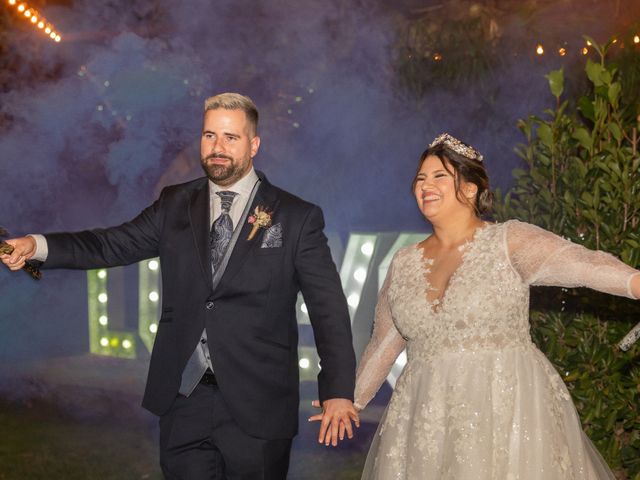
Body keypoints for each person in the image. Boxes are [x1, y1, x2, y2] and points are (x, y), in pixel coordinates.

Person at [0, 93, 360, 479]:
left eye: (230, 137)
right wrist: (37, 246)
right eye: (209, 136)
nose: (217, 148)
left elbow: (328, 308)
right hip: (184, 398)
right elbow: (110, 244)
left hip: (259, 403)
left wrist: (337, 389)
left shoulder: (296, 217)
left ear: (253, 144)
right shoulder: (175, 203)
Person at [351, 133, 640, 479]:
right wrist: (350, 402)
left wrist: (634, 283)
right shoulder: (403, 262)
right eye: (420, 179)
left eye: (439, 176)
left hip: (505, 406)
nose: (425, 185)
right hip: (427, 414)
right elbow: (384, 343)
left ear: (470, 189)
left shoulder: (508, 241)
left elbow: (583, 264)